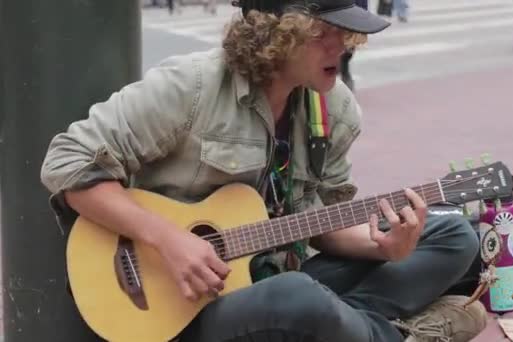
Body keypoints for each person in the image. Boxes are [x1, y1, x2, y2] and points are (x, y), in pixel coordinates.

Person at [40, 0, 488, 341]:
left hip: (270, 274)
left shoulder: (334, 109)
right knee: (298, 296)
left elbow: (317, 223)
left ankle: (349, 324)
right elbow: (67, 162)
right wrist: (169, 239)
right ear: (274, 35)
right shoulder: (192, 87)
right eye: (323, 33)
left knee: (455, 236)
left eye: (346, 33)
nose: (342, 48)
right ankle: (395, 332)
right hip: (181, 307)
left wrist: (383, 248)